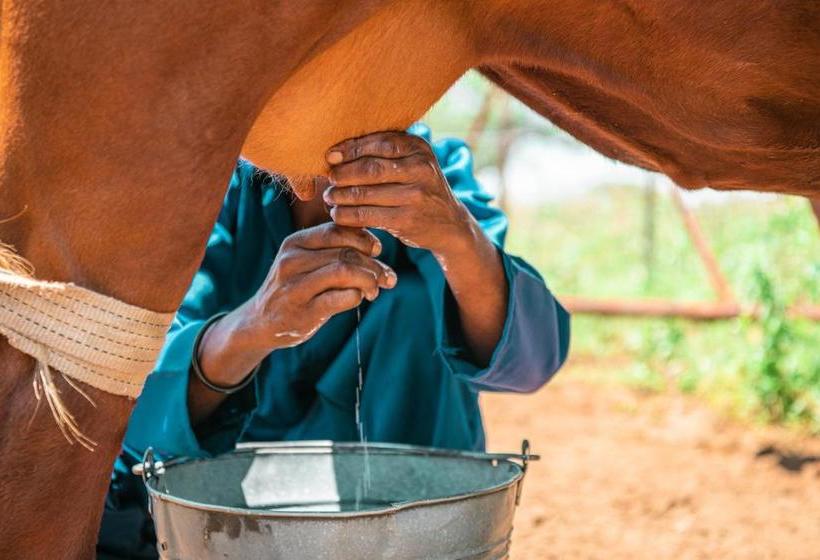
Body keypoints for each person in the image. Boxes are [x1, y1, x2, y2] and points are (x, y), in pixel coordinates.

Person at [96, 125, 570, 558]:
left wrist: (457, 235)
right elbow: (134, 409)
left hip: (421, 532)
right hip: (240, 531)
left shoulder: (434, 175)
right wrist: (254, 325)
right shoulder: (216, 185)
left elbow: (534, 362)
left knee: (410, 302)